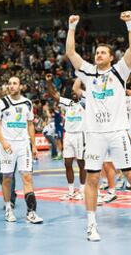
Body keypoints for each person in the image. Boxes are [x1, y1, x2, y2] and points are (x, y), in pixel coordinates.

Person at [66, 11, 131, 241]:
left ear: (110, 57)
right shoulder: (87, 72)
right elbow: (70, 52)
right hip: (95, 134)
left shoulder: (120, 71)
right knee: (92, 179)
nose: (98, 55)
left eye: (103, 52)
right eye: (96, 52)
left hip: (117, 133)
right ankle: (91, 225)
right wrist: (71, 28)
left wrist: (130, 23)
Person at [0, 77, 43, 224]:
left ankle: (31, 212)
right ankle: (8, 208)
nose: (12, 86)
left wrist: (33, 145)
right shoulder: (1, 103)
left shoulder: (27, 103)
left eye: (15, 83)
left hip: (23, 145)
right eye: (10, 83)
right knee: (7, 178)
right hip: (7, 145)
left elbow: (30, 124)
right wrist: (3, 141)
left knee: (27, 177)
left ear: (20, 86)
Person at [46, 73, 86, 201]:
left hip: (81, 135)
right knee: (67, 163)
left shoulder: (85, 103)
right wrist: (48, 82)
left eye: (76, 92)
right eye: (72, 93)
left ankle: (82, 191)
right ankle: (70, 191)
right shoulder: (68, 103)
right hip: (68, 135)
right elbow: (54, 95)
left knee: (81, 163)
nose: (74, 94)